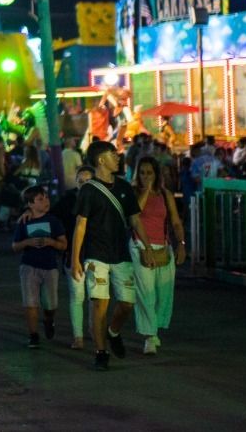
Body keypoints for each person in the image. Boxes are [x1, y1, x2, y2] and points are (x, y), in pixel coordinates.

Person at [70, 140, 143, 372]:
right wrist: (75, 260)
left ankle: (113, 331)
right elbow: (80, 225)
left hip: (121, 253)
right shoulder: (89, 190)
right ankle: (101, 352)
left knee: (127, 303)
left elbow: (135, 219)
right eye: (114, 154)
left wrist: (148, 247)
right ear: (101, 160)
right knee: (99, 303)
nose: (118, 157)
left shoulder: (124, 187)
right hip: (96, 254)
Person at [131, 156, 185, 356]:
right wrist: (145, 190)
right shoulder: (134, 192)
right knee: (146, 293)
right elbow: (135, 214)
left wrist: (181, 244)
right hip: (140, 246)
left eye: (149, 173)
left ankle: (154, 328)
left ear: (156, 174)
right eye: (142, 173)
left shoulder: (165, 194)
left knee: (163, 294)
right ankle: (149, 336)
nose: (146, 176)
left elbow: (175, 221)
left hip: (163, 247)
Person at [11, 184, 66, 348]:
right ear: (30, 204)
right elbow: (14, 246)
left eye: (46, 198)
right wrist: (28, 242)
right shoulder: (24, 222)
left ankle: (49, 320)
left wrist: (51, 242)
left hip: (50, 266)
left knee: (51, 304)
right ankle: (33, 335)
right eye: (40, 199)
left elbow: (64, 244)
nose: (46, 201)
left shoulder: (53, 221)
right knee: (30, 303)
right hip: (29, 266)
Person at [53, 164, 95, 349]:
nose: (84, 185)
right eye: (81, 182)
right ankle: (78, 336)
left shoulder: (101, 200)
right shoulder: (68, 201)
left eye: (88, 181)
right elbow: (52, 217)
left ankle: (95, 332)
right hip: (74, 255)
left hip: (97, 255)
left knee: (96, 298)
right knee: (77, 296)